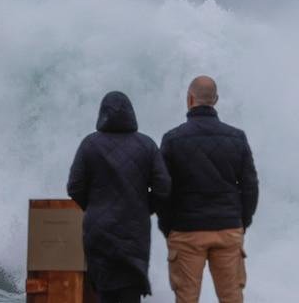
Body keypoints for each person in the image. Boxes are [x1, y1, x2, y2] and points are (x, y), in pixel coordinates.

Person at [159, 76, 258, 303]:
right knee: (232, 296)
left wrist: (169, 226)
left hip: (186, 230)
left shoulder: (173, 139)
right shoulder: (237, 137)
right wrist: (241, 221)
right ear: (216, 100)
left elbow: (162, 189)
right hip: (228, 228)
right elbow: (250, 186)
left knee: (186, 297)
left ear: (189, 99)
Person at [68, 91, 172, 303]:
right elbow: (163, 187)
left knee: (105, 289)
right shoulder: (147, 145)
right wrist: (145, 208)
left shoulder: (90, 144)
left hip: (98, 230)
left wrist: (94, 207)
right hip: (134, 229)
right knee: (130, 287)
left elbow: (74, 187)